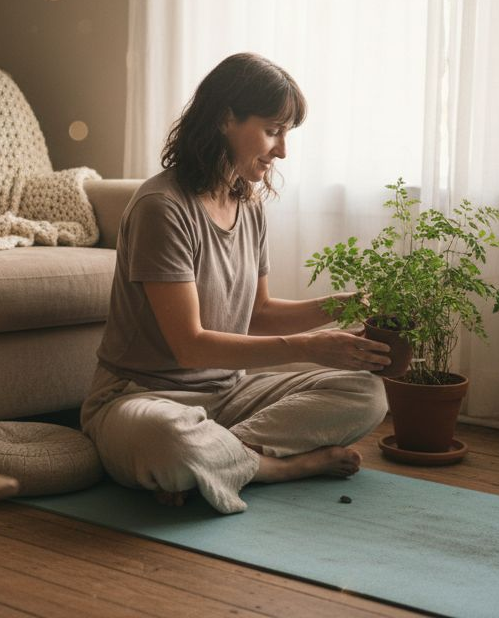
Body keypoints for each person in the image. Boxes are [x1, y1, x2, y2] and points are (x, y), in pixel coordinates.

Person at [81, 52, 392, 515]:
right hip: (141, 398)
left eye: (286, 133)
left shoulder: (249, 206)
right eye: (272, 130)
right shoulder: (162, 208)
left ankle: (219, 460)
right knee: (171, 441)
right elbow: (190, 347)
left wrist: (342, 305)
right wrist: (308, 346)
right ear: (226, 118)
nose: (282, 150)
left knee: (366, 394)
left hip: (229, 395)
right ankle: (277, 467)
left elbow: (258, 314)